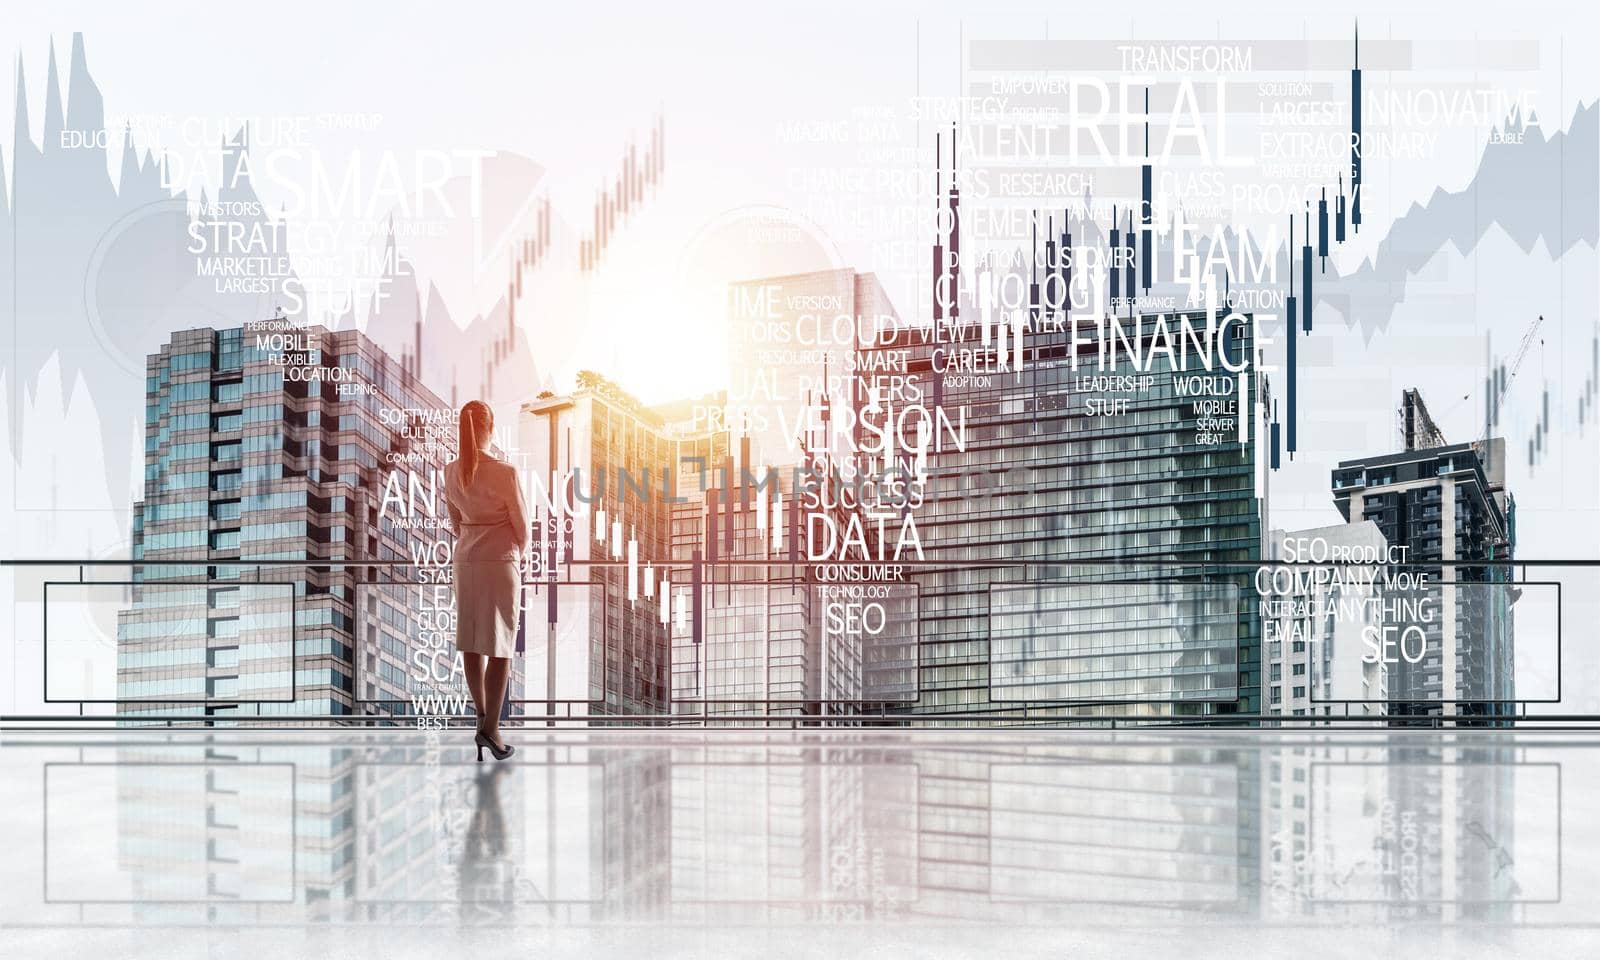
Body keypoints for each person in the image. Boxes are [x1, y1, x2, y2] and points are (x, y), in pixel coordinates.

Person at [443, 400, 527, 761]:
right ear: (490, 429)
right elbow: (522, 528)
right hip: (499, 561)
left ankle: (481, 718)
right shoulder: (505, 472)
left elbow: (454, 522)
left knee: (472, 643)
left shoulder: (450, 471)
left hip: (465, 561)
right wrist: (512, 550)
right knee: (500, 646)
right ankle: (492, 730)